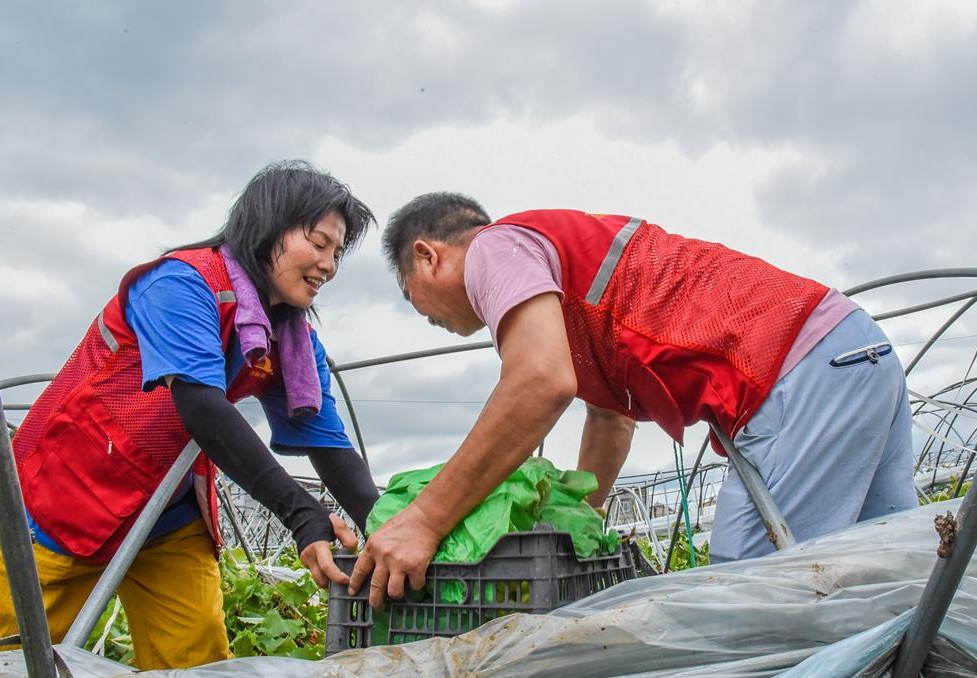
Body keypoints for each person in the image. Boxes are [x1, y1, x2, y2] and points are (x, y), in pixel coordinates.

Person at [349, 194, 916, 607]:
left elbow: (540, 380)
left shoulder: (496, 248)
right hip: (854, 351)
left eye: (411, 297)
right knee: (893, 577)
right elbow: (610, 419)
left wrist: (422, 520)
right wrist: (580, 519)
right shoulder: (563, 277)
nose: (426, 317)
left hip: (795, 367)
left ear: (428, 257)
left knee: (750, 600)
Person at [0, 161, 379, 669]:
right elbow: (200, 403)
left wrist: (392, 527)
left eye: (336, 252)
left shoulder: (292, 339)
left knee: (196, 676)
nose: (328, 265)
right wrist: (300, 511)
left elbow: (328, 445)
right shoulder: (183, 283)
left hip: (168, 512)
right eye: (318, 243)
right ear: (268, 228)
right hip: (63, 499)